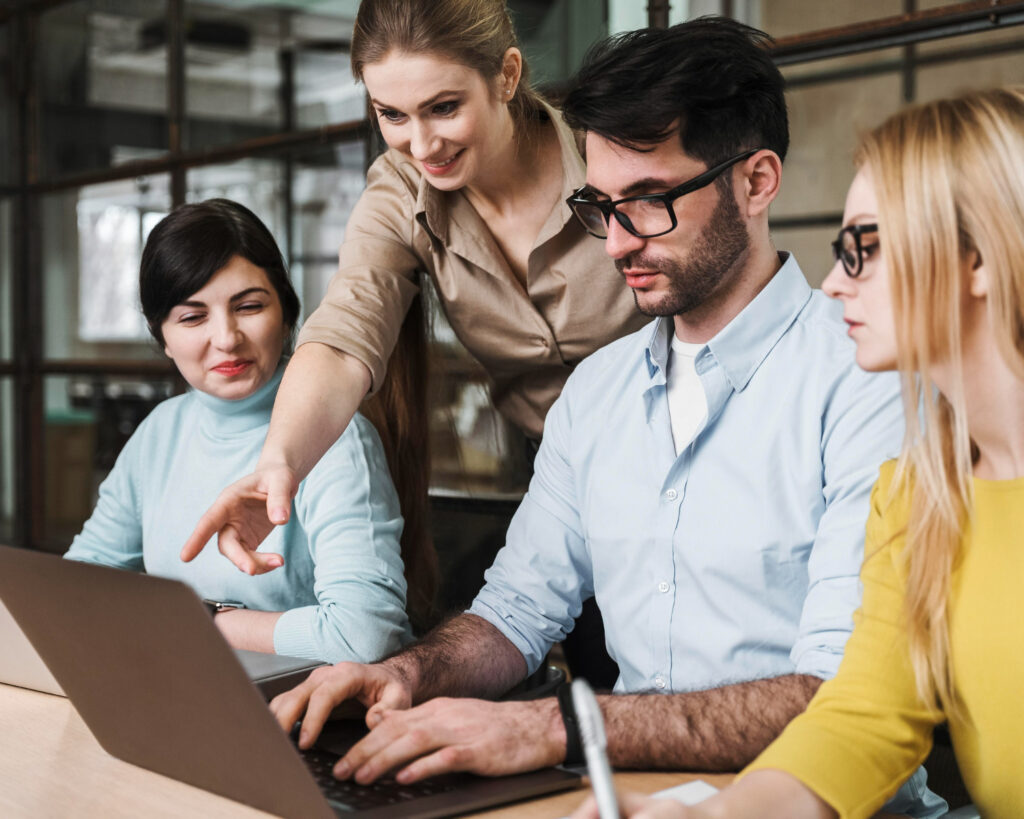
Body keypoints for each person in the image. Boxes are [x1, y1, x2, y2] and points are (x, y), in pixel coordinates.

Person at [264, 19, 942, 817]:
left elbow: (841, 699)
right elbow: (514, 613)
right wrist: (410, 674)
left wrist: (556, 726)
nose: (617, 241)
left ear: (757, 183)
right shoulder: (595, 394)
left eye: (650, 203)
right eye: (600, 205)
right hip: (630, 796)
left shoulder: (867, 383)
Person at [571, 86, 1024, 819]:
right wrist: (708, 816)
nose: (836, 280)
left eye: (864, 250)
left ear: (979, 259)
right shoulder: (917, 493)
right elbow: (863, 719)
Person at [180, 0, 646, 579]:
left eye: (444, 108)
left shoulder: (606, 152)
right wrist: (279, 463)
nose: (422, 145)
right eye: (392, 115)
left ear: (506, 75)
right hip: (556, 471)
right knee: (591, 657)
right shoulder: (402, 192)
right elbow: (346, 333)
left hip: (682, 447)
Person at [64, 199, 416, 665]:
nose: (227, 338)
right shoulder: (159, 432)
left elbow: (363, 635)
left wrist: (206, 622)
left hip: (299, 710)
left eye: (248, 306)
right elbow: (78, 587)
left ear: (288, 315)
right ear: (163, 338)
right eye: (192, 317)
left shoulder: (336, 437)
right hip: (176, 688)